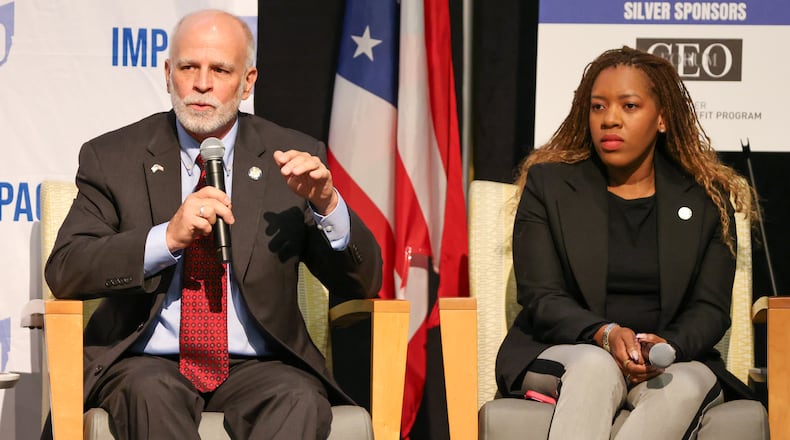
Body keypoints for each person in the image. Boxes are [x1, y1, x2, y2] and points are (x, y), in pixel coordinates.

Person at [44, 9, 382, 440]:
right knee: (149, 392)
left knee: (299, 397)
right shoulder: (113, 157)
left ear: (247, 82)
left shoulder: (291, 156)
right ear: (168, 73)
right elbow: (66, 268)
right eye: (189, 67)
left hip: (260, 365)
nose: (202, 83)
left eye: (220, 70)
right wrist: (165, 239)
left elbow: (363, 283)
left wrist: (327, 204)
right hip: (148, 362)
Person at [495, 46, 766, 439]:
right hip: (569, 349)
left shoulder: (705, 200)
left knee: (686, 383)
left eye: (629, 106)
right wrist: (603, 333)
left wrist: (667, 346)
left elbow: (710, 309)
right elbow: (542, 296)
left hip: (667, 359)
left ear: (661, 119)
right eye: (599, 107)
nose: (611, 120)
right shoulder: (549, 187)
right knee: (595, 366)